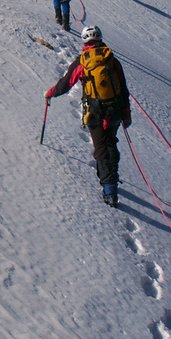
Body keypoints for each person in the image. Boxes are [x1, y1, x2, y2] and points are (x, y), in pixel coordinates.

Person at [44, 25, 132, 207]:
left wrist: (50, 93)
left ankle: (109, 190)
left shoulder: (83, 62)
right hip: (115, 111)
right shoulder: (112, 60)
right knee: (110, 143)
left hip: (95, 113)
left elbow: (66, 84)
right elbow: (123, 89)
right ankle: (110, 177)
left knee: (101, 149)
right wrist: (126, 114)